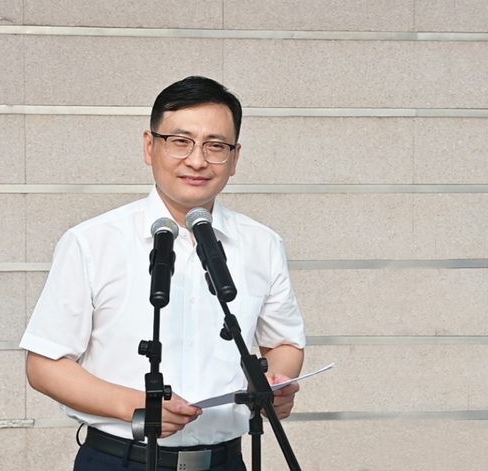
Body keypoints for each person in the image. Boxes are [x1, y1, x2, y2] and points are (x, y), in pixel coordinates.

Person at [20, 76, 306, 471]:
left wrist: (276, 383)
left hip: (225, 461)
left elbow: (285, 343)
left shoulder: (262, 244)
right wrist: (134, 404)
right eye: (180, 141)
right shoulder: (92, 241)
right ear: (149, 146)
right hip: (120, 459)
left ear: (235, 158)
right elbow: (44, 365)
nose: (197, 160)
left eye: (215, 146)